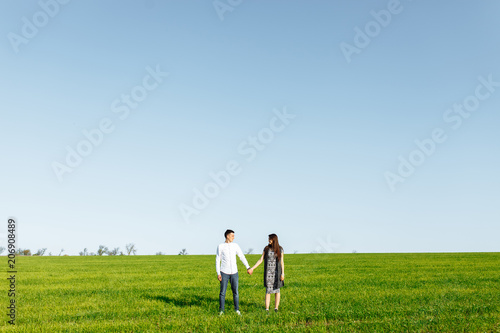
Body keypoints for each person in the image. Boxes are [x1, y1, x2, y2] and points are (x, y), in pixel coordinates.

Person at [215, 229, 251, 315]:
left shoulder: (235, 246)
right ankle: (221, 310)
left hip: (234, 272)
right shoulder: (220, 246)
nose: (233, 238)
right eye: (232, 236)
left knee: (235, 292)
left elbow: (241, 256)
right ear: (227, 236)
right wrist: (218, 273)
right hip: (224, 272)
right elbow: (217, 260)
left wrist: (248, 267)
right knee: (222, 292)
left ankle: (237, 310)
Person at [248, 233, 284, 313]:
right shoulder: (266, 249)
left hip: (277, 273)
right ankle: (267, 309)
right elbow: (261, 260)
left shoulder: (280, 249)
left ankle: (276, 308)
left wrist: (283, 273)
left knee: (277, 291)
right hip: (268, 273)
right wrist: (252, 268)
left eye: (270, 239)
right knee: (268, 291)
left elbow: (282, 262)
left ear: (274, 239)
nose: (268, 240)